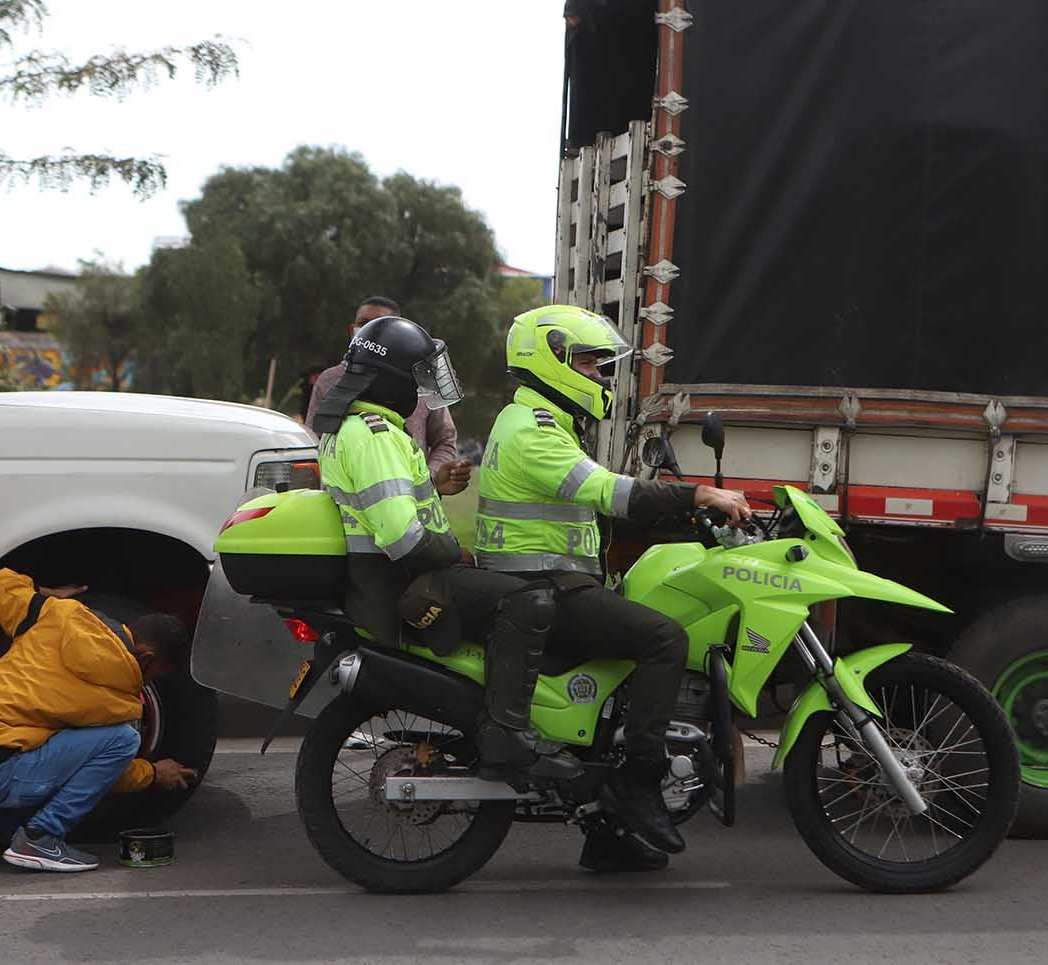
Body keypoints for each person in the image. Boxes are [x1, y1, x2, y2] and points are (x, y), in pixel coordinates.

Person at [474, 305, 750, 866]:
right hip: (542, 589)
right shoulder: (533, 431)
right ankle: (639, 783)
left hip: (549, 584)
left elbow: (592, 509)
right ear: (550, 359)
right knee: (665, 639)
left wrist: (681, 517)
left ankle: (609, 837)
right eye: (589, 363)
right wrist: (698, 495)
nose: (599, 375)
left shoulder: (540, 422)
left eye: (601, 365)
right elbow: (609, 492)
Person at [313, 314, 579, 781]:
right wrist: (455, 554)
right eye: (416, 378)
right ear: (392, 380)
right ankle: (507, 733)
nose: (421, 390)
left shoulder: (350, 429)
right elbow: (402, 538)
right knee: (528, 600)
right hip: (403, 582)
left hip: (384, 580)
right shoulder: (375, 437)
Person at [0, 568, 197, 872]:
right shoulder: (119, 701)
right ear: (146, 658)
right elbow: (104, 775)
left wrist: (42, 594)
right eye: (154, 675)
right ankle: (40, 838)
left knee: (49, 755)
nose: (147, 682)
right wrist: (153, 773)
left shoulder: (58, 613)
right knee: (123, 741)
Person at [306, 296, 469, 494]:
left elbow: (445, 439)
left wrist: (428, 479)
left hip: (411, 494)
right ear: (352, 330)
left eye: (379, 324)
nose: (370, 330)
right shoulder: (328, 380)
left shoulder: (419, 381)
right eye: (364, 323)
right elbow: (314, 441)